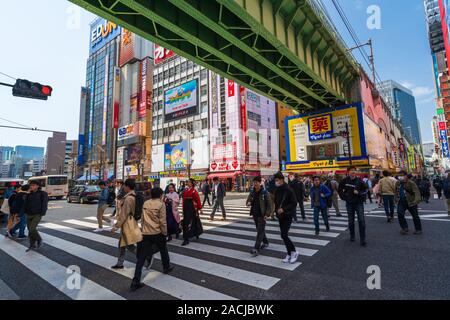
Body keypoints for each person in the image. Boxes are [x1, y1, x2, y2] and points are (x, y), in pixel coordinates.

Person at [131, 187, 174, 291]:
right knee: (163, 249)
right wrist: (165, 233)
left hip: (146, 232)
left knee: (141, 257)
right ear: (160, 195)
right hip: (157, 231)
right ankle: (166, 267)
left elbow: (142, 218)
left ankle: (135, 280)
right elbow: (163, 221)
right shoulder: (161, 204)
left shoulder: (146, 203)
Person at [111, 179, 142, 270]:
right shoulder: (132, 196)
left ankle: (146, 256)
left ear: (128, 186)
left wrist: (116, 226)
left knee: (128, 245)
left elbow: (124, 214)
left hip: (127, 223)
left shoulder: (129, 198)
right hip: (129, 222)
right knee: (123, 244)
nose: (123, 187)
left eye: (124, 185)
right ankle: (120, 263)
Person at [273, 172, 298, 264]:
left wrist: (283, 209)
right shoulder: (277, 189)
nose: (276, 182)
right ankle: (289, 253)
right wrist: (276, 211)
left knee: (284, 235)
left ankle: (294, 252)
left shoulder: (288, 189)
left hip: (288, 215)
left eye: (277, 180)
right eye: (275, 180)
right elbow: (276, 202)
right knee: (283, 235)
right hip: (280, 216)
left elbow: (294, 203)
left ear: (282, 180)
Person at [338, 166, 367, 246]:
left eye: (354, 170)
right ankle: (352, 235)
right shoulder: (344, 181)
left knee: (361, 220)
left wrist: (359, 193)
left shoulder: (359, 180)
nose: (353, 172)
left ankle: (363, 239)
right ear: (348, 172)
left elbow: (366, 190)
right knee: (351, 221)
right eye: (351, 170)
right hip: (349, 203)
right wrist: (344, 197)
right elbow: (339, 190)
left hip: (358, 203)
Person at [246, 176, 271, 256]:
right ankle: (266, 242)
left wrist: (267, 214)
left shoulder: (264, 192)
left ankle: (256, 248)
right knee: (260, 230)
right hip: (254, 214)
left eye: (256, 182)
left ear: (260, 183)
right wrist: (248, 202)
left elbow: (269, 205)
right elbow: (248, 200)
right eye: (254, 182)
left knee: (260, 231)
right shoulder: (252, 191)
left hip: (262, 215)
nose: (255, 184)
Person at [24, 181, 49, 251]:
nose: (31, 186)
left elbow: (44, 203)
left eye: (33, 185)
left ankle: (39, 240)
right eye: (31, 185)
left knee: (32, 228)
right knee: (30, 230)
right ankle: (32, 245)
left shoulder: (43, 193)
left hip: (37, 214)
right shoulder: (28, 194)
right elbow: (25, 204)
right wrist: (24, 212)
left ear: (38, 186)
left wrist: (43, 212)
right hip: (29, 214)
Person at [181, 178, 203, 246]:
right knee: (187, 222)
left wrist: (200, 208)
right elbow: (183, 200)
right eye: (188, 182)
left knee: (192, 221)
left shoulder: (194, 191)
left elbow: (198, 200)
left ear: (192, 183)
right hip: (186, 207)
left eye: (189, 182)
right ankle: (192, 235)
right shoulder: (186, 190)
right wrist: (182, 208)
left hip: (192, 208)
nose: (188, 183)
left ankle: (187, 238)